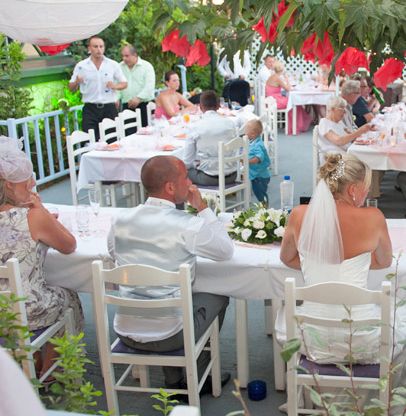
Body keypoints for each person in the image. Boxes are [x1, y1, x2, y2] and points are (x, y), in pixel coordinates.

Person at [276, 154, 406, 389]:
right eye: (366, 188)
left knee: (284, 314)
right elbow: (384, 262)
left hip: (313, 338)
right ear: (353, 189)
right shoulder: (374, 218)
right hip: (360, 339)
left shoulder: (299, 215)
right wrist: (358, 262)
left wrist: (320, 262)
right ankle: (391, 396)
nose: (368, 194)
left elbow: (287, 258)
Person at [109, 155, 233, 393]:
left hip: (124, 329)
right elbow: (225, 251)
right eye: (185, 177)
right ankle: (199, 378)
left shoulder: (119, 220)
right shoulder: (187, 224)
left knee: (175, 300)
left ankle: (174, 381)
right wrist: (203, 208)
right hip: (170, 334)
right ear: (170, 187)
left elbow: (114, 254)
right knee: (218, 294)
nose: (190, 181)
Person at [0, 136, 85, 376]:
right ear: (9, 185)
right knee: (68, 296)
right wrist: (41, 210)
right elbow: (69, 245)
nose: (33, 182)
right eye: (27, 178)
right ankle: (50, 374)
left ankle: (29, 362)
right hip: (24, 310)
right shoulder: (31, 216)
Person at [68, 36, 128, 139]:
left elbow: (124, 83)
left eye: (101, 46)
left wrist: (115, 86)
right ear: (89, 48)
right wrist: (77, 82)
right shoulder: (81, 66)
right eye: (95, 47)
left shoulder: (112, 64)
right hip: (90, 108)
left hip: (109, 107)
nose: (99, 49)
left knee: (112, 139)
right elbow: (70, 87)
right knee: (89, 140)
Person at [182, 90, 239, 186]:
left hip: (209, 178)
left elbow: (187, 162)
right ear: (218, 106)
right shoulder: (230, 123)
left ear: (200, 107)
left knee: (180, 172)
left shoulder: (195, 127)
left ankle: (191, 200)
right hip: (231, 176)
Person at [317, 96, 371, 164]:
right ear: (332, 109)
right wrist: (360, 131)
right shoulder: (325, 123)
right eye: (342, 109)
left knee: (369, 156)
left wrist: (364, 131)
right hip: (334, 158)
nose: (345, 112)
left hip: (346, 154)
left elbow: (350, 136)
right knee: (367, 160)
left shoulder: (339, 122)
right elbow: (339, 141)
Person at [264, 61, 312, 135]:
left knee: (294, 101)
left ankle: (298, 124)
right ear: (281, 70)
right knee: (294, 102)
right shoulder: (278, 78)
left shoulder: (273, 76)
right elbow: (288, 89)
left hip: (271, 99)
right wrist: (286, 78)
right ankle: (296, 126)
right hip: (274, 101)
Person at [118, 44, 156, 128]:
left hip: (145, 105)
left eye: (127, 56)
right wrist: (116, 98)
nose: (124, 58)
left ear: (135, 55)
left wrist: (138, 98)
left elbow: (150, 85)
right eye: (123, 56)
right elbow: (117, 84)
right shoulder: (119, 67)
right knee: (129, 133)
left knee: (147, 132)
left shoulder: (146, 66)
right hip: (127, 105)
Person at [244, 119, 271, 204]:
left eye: (246, 131)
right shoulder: (253, 142)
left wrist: (247, 161)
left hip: (260, 176)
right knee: (259, 193)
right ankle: (264, 209)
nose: (244, 132)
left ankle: (265, 210)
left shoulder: (258, 145)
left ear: (252, 133)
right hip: (257, 174)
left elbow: (259, 158)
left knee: (261, 195)